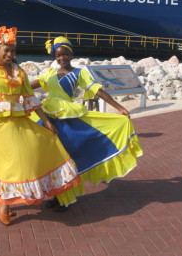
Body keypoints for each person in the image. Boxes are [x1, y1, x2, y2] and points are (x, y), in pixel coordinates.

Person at [0, 27, 80, 226]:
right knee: (7, 164)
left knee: (14, 161)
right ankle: (3, 204)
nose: (10, 54)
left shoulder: (19, 73)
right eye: (6, 50)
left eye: (13, 50)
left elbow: (31, 99)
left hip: (18, 123)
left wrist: (46, 122)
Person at [30, 36, 143, 210]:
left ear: (71, 54)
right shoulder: (49, 74)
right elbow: (29, 87)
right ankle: (57, 196)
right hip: (47, 117)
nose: (62, 58)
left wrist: (119, 108)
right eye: (58, 55)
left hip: (68, 119)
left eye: (65, 54)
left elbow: (98, 91)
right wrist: (11, 87)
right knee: (50, 157)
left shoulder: (79, 73)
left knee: (65, 158)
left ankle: (65, 199)